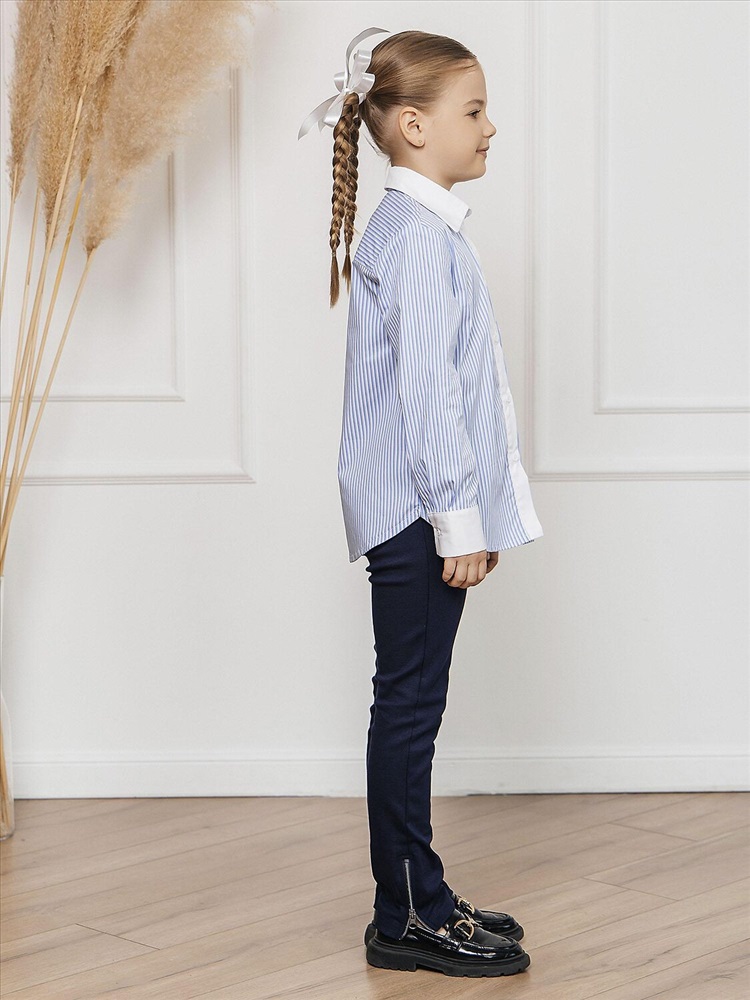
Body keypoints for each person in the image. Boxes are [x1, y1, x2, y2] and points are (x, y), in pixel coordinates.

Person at [299, 27, 543, 978]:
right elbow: (430, 399)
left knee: (411, 705)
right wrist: (459, 519)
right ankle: (407, 914)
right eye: (473, 110)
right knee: (408, 709)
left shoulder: (418, 232)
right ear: (412, 125)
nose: (491, 127)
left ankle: (417, 894)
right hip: (416, 514)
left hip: (412, 511)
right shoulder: (414, 240)